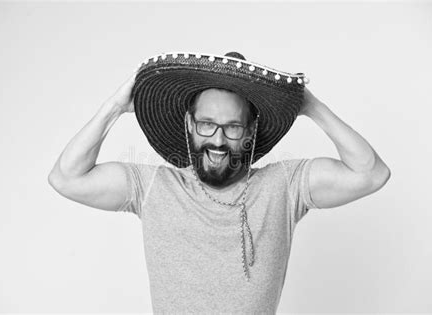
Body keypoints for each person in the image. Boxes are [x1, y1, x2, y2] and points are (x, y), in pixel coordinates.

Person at [48, 51, 391, 314]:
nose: (218, 140)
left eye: (232, 127)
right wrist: (114, 107)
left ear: (250, 131)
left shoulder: (284, 187)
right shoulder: (153, 186)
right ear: (189, 124)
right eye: (207, 124)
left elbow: (371, 173)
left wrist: (311, 107)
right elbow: (66, 177)